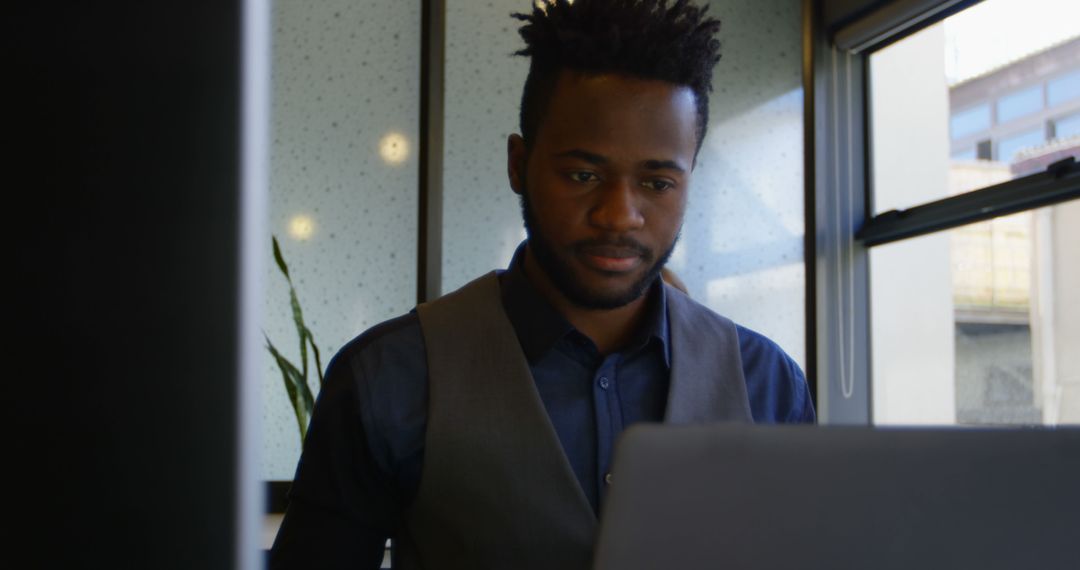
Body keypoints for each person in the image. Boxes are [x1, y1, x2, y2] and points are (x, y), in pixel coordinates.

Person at [270, 1, 814, 568]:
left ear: (689, 182)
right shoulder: (389, 376)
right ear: (518, 163)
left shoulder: (768, 384)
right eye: (583, 175)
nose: (619, 214)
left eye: (657, 182)